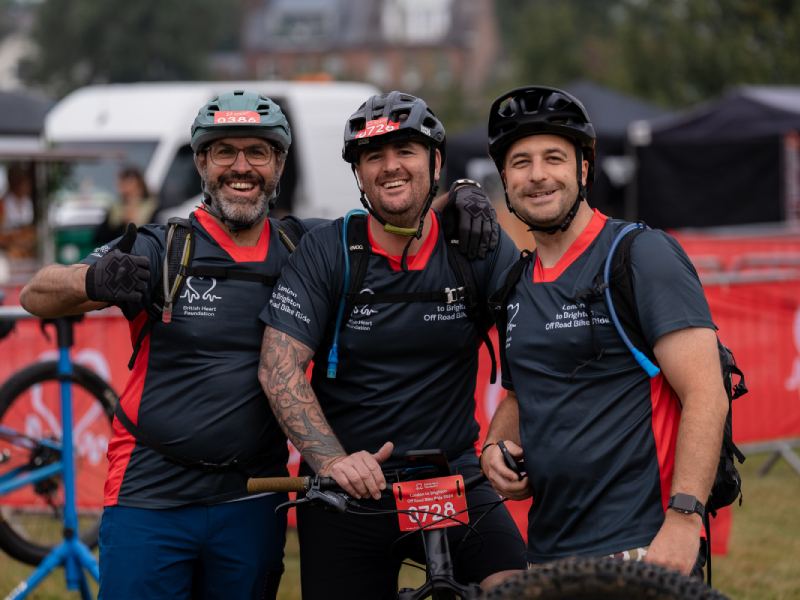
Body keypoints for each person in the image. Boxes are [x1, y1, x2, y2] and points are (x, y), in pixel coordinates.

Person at [18, 89, 497, 600]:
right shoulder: (163, 247)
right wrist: (90, 280)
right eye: (224, 152)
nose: (241, 167)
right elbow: (35, 294)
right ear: (201, 163)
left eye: (258, 152)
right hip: (150, 492)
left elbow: (393, 212)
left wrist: (461, 194)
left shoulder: (305, 246)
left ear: (279, 164)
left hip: (252, 497)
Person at [257, 91, 527, 600]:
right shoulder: (329, 249)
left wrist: (498, 443)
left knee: (515, 590)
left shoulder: (477, 246)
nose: (390, 166)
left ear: (436, 162)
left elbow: (534, 358)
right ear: (359, 175)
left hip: (449, 476)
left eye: (405, 150)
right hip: (349, 485)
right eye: (373, 156)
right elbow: (279, 368)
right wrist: (332, 462)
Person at [478, 86, 730, 577]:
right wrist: (493, 447)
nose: (537, 175)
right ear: (505, 179)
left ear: (583, 169)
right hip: (548, 550)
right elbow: (521, 394)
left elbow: (706, 393)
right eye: (521, 162)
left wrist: (684, 520)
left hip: (641, 544)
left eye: (554, 157)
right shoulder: (514, 284)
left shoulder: (639, 255)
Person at [92, 165, 158, 245]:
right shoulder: (115, 208)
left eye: (130, 185)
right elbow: (100, 237)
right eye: (122, 185)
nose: (125, 190)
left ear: (140, 186)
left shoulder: (153, 207)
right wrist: (123, 222)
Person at [0, 162, 36, 258]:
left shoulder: (27, 203)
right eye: (22, 183)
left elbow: (30, 232)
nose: (26, 187)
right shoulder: (3, 204)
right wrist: (14, 239)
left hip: (24, 250)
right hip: (7, 250)